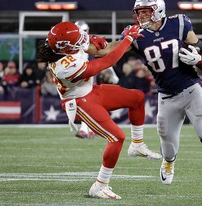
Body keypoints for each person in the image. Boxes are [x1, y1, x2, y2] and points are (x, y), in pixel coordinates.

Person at [99, 0, 202, 202]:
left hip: (191, 88)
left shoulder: (179, 24)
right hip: (166, 96)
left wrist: (197, 59)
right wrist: (84, 45)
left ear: (158, 10)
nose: (141, 16)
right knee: (168, 148)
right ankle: (169, 161)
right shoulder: (136, 34)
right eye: (138, 12)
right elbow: (110, 50)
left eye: (145, 11)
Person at [36, 22, 161, 199]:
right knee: (117, 137)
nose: (82, 40)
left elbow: (99, 49)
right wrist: (128, 39)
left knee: (137, 98)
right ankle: (100, 186)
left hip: (91, 92)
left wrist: (103, 41)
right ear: (65, 47)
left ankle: (137, 144)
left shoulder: (64, 45)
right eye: (78, 39)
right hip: (79, 101)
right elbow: (106, 61)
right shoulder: (64, 66)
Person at [74, 20, 120, 139]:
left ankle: (86, 130)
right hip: (75, 78)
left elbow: (103, 60)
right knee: (85, 104)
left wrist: (112, 74)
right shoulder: (71, 45)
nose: (85, 33)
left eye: (86, 31)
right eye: (83, 31)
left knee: (86, 103)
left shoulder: (89, 43)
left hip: (87, 78)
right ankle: (90, 130)